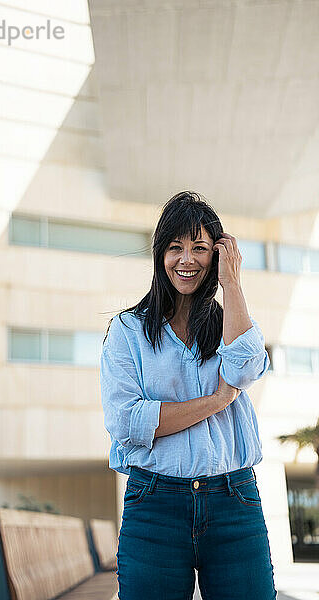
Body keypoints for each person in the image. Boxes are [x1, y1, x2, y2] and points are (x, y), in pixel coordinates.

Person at [100, 191, 277, 600]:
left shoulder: (230, 322)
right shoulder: (129, 331)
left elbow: (246, 368)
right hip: (154, 504)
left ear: (216, 255)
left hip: (234, 501)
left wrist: (231, 282)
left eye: (200, 248)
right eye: (175, 247)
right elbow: (128, 423)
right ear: (160, 255)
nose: (187, 259)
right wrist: (216, 401)